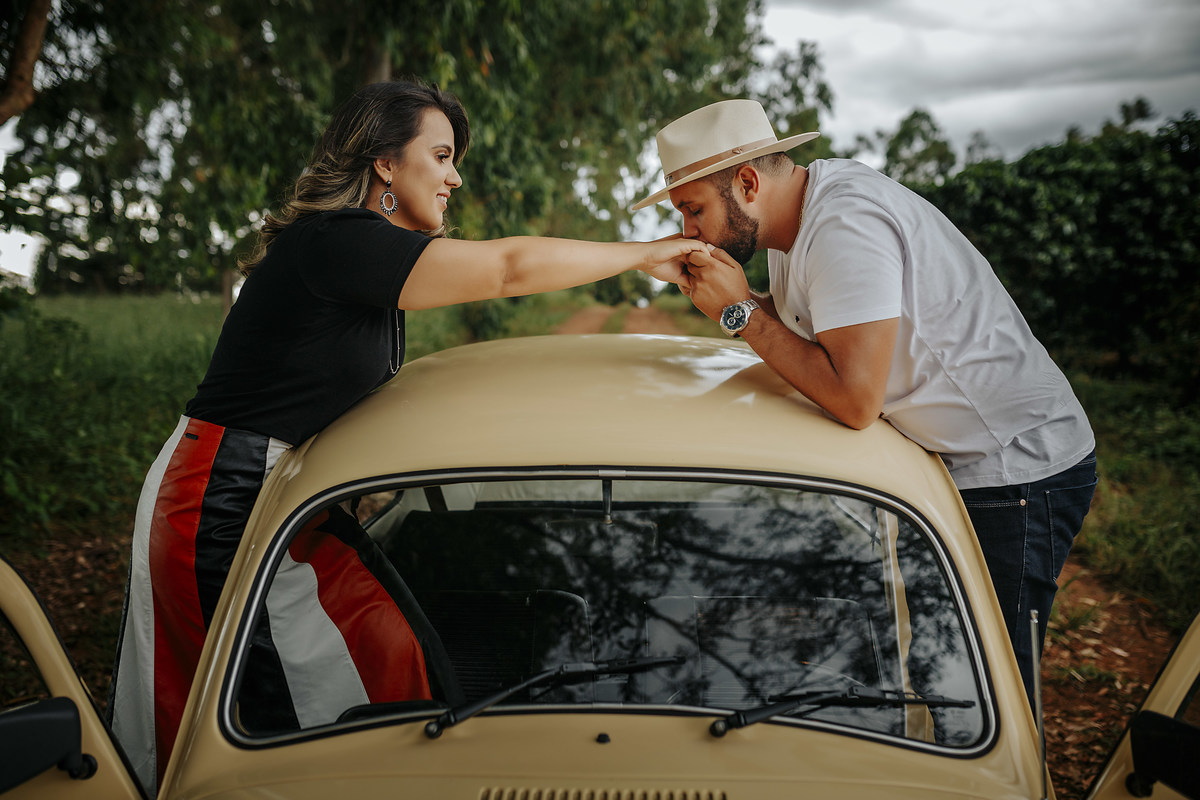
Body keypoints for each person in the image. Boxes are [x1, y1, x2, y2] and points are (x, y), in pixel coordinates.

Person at [109, 78, 706, 794]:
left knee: (383, 647)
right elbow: (506, 269)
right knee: (236, 699)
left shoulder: (367, 255)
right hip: (219, 495)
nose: (455, 176)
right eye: (443, 154)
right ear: (385, 164)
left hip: (282, 494)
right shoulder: (335, 245)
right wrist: (645, 254)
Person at [633, 98, 1097, 710]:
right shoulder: (793, 223)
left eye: (694, 211)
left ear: (747, 183)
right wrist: (725, 290)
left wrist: (737, 313)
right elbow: (803, 332)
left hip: (1015, 465)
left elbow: (854, 399)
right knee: (935, 651)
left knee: (988, 687)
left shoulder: (843, 224)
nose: (689, 229)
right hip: (953, 464)